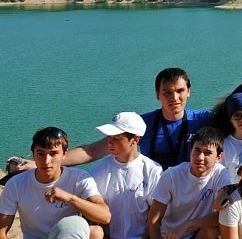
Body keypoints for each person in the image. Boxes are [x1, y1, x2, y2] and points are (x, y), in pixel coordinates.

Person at [13, 68, 212, 172]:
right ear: (157, 94)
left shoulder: (203, 120)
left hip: (191, 189)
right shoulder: (142, 124)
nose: (174, 98)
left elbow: (232, 115)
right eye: (167, 92)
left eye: (180, 91)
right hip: (155, 190)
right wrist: (41, 163)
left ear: (189, 92)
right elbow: (93, 151)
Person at [0, 127, 110, 239]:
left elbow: (104, 216)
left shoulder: (79, 178)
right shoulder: (16, 184)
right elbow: (1, 231)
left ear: (64, 154)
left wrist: (69, 198)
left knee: (96, 233)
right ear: (33, 154)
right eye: (41, 154)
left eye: (53, 154)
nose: (47, 161)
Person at [147, 127, 234, 239]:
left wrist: (187, 225)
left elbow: (223, 215)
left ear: (219, 157)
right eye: (197, 150)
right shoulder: (172, 175)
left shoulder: (222, 175)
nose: (200, 157)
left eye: (207, 153)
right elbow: (154, 219)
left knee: (212, 231)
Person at [89, 112, 163, 239]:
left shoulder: (152, 170)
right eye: (109, 137)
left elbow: (156, 217)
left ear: (135, 140)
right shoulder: (98, 171)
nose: (110, 142)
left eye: (117, 138)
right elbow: (93, 216)